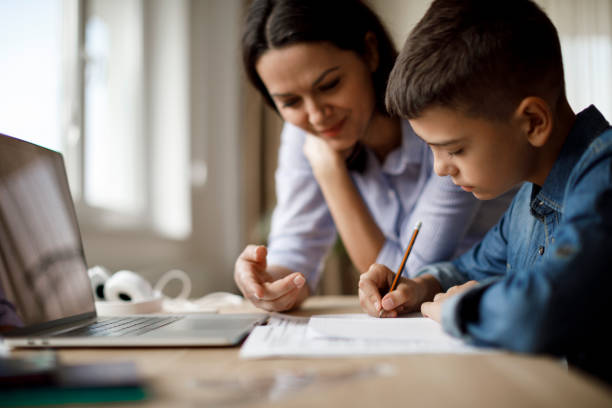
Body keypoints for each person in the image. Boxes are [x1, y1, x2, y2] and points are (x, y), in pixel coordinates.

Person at [359, 0, 612, 383]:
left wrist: (459, 309)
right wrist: (420, 286)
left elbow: (541, 311)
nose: (440, 169)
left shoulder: (603, 176)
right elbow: (469, 267)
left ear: (533, 121)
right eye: (431, 149)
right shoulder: (526, 201)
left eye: (455, 149)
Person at [235, 0, 514, 312]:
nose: (316, 116)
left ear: (369, 52)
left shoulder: (444, 125)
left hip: (491, 307)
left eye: (329, 85)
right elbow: (295, 252)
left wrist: (330, 172)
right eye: (289, 102)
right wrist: (266, 282)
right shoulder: (305, 133)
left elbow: (402, 280)